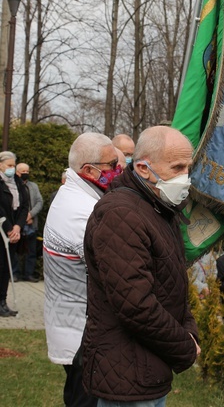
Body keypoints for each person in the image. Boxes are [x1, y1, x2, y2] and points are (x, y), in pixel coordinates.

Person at [82, 126, 200, 407]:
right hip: (127, 374)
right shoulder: (120, 214)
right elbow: (136, 305)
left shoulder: (157, 206)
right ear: (144, 168)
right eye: (177, 167)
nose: (185, 176)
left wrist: (189, 330)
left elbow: (171, 285)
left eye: (188, 167)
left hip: (148, 367)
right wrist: (184, 346)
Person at [43, 133, 121, 407]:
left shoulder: (80, 195)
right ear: (89, 170)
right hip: (81, 337)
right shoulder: (82, 211)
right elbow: (116, 270)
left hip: (77, 329)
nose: (119, 169)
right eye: (113, 164)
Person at [0, 151, 28, 317]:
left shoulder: (18, 182)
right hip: (2, 230)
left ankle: (3, 301)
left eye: (13, 165)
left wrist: (18, 227)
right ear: (1, 165)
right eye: (9, 165)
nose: (12, 168)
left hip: (14, 233)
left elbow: (25, 205)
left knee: (7, 269)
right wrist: (9, 228)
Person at [13, 163, 43, 282]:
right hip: (17, 225)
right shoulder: (13, 186)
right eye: (22, 171)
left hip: (31, 224)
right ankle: (15, 273)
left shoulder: (33, 186)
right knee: (14, 251)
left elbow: (39, 202)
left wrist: (30, 215)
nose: (25, 173)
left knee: (31, 251)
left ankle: (28, 274)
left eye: (27, 171)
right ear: (17, 173)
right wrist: (23, 217)